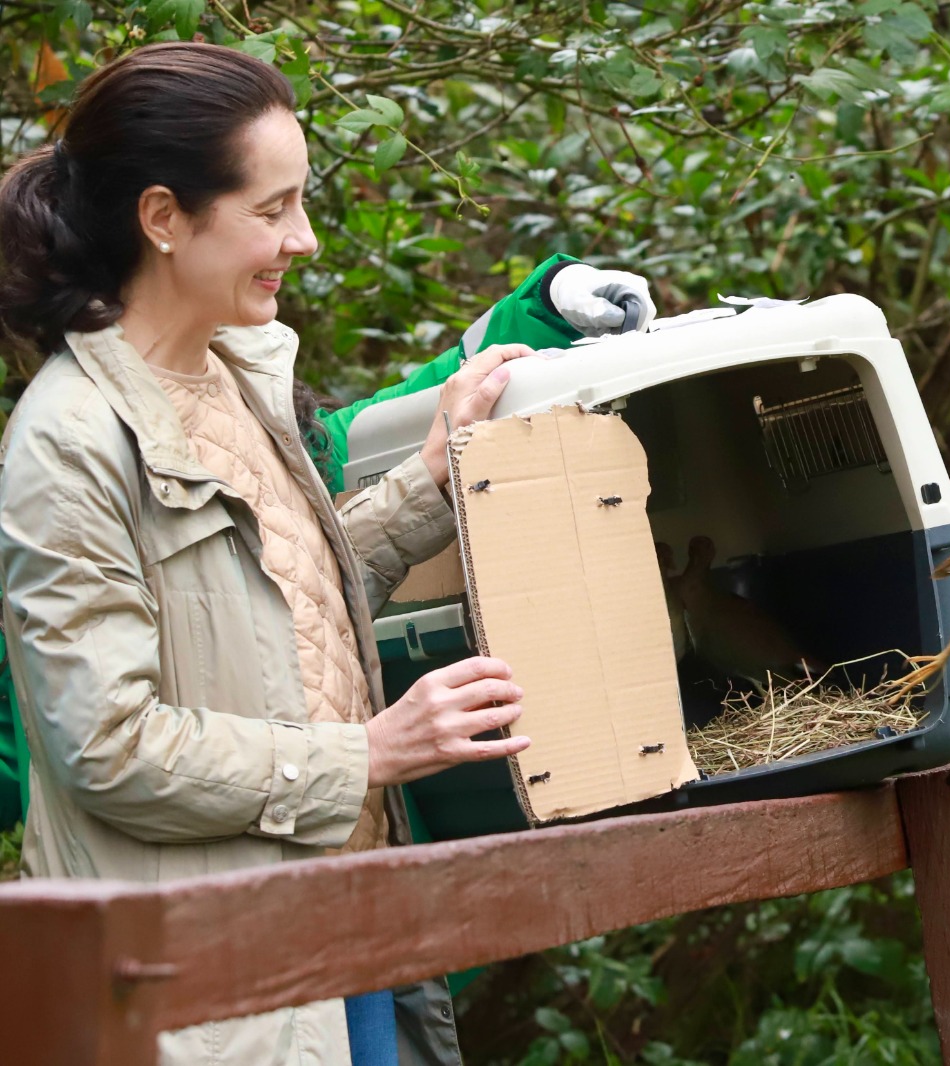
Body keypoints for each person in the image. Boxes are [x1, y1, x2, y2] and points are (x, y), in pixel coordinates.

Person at [0, 41, 654, 1065]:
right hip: (212, 994)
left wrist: (430, 481)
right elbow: (106, 746)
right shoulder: (70, 441)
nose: (301, 240)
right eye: (270, 211)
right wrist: (372, 752)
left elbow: (273, 601)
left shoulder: (231, 378)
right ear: (164, 218)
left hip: (343, 928)